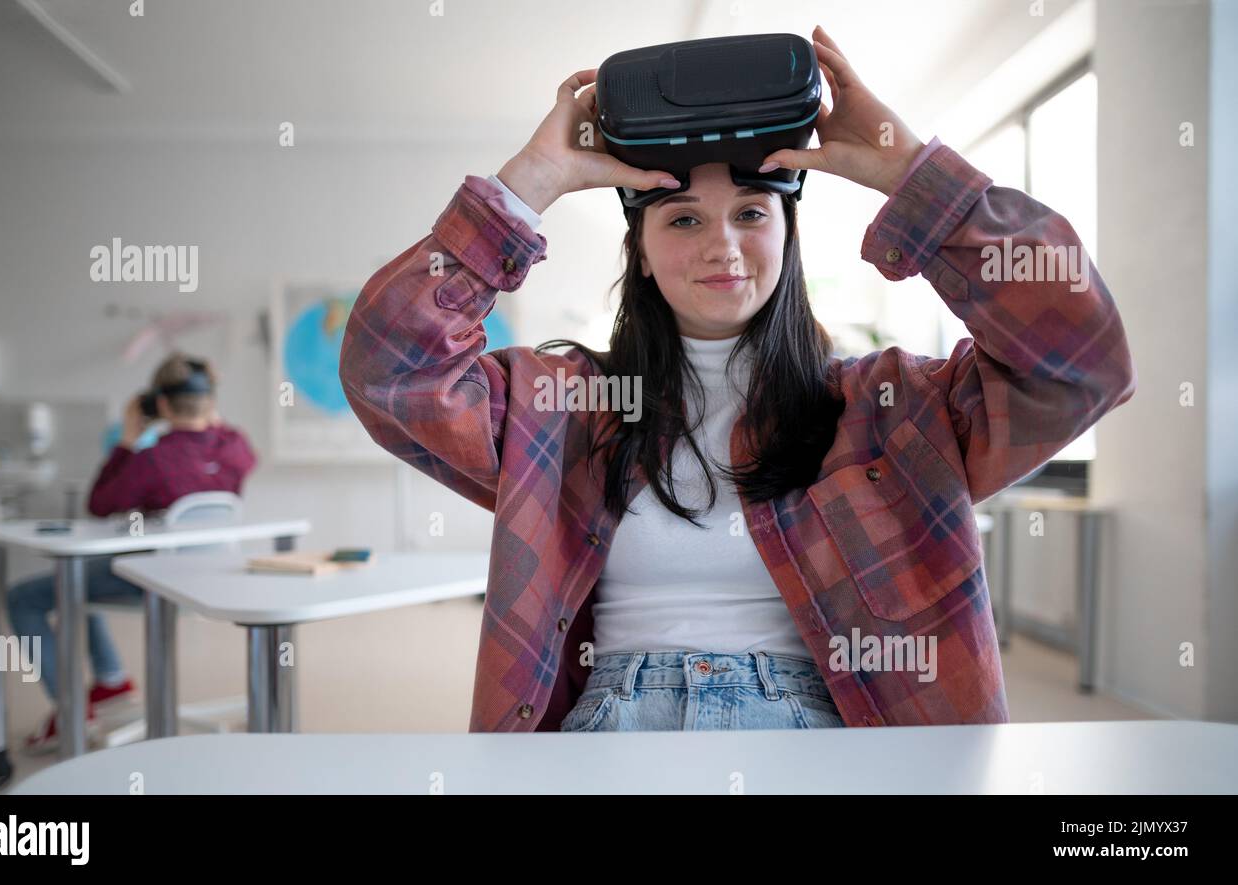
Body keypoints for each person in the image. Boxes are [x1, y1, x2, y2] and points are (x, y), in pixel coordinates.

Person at [338, 26, 1136, 733]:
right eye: (683, 218)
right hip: (614, 725)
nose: (721, 245)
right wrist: (530, 182)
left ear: (788, 234)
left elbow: (1081, 358)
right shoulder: (562, 407)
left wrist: (910, 172)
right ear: (642, 254)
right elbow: (389, 368)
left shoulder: (893, 406)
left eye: (752, 213)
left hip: (816, 726)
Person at [7, 353, 258, 753]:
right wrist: (212, 417)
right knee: (84, 573)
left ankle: (70, 710)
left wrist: (127, 437)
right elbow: (240, 452)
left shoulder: (154, 458)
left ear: (158, 403)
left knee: (24, 596)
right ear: (210, 402)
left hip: (156, 583)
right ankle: (111, 681)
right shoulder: (235, 447)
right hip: (210, 579)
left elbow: (100, 502)